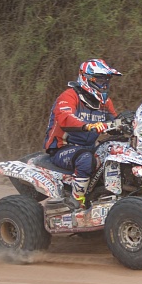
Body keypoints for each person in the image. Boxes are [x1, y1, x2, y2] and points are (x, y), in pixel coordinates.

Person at [43, 58, 122, 210]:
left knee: (117, 152)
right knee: (86, 159)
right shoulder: (69, 96)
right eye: (100, 80)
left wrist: (128, 123)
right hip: (62, 149)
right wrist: (87, 126)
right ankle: (76, 200)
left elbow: (115, 121)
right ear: (87, 79)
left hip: (89, 147)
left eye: (106, 81)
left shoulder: (105, 103)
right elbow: (65, 118)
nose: (104, 85)